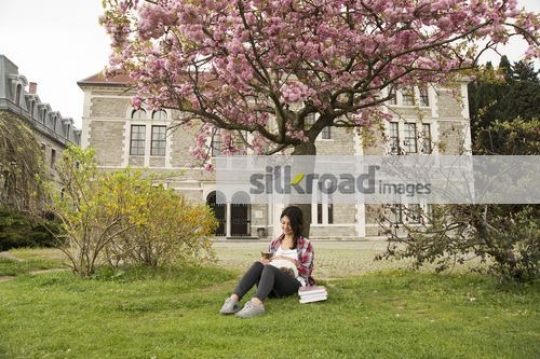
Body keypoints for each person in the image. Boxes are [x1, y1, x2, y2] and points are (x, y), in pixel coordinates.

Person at [219, 205, 315, 318]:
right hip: (271, 285)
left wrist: (287, 260)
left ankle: (256, 304)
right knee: (258, 264)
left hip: (293, 283)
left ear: (297, 224)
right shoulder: (275, 243)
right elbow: (269, 264)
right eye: (283, 223)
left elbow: (306, 272)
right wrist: (265, 262)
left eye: (289, 224)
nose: (285, 227)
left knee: (270, 269)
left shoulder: (305, 243)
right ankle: (233, 301)